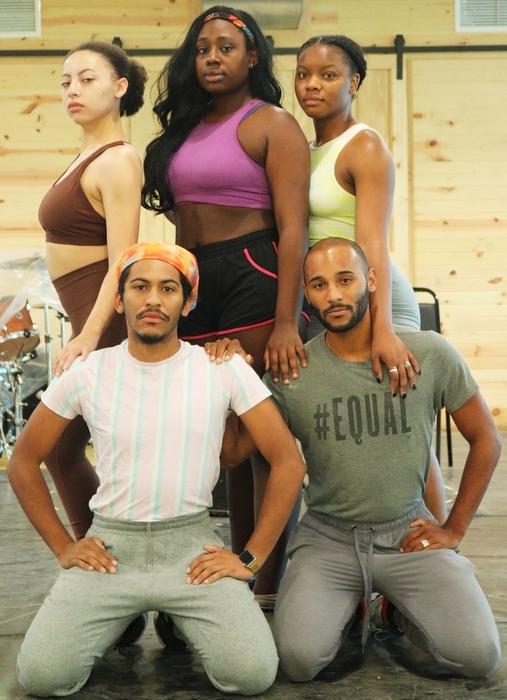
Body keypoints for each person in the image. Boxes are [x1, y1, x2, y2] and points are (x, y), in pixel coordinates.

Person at [8, 242, 306, 698]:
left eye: (168, 289)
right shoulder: (90, 371)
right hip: (111, 549)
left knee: (251, 674)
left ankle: (176, 614)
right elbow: (24, 461)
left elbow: (288, 462)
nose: (152, 299)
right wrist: (65, 548)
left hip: (189, 549)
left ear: (187, 303)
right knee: (43, 677)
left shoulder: (221, 368)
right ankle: (128, 612)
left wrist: (249, 558)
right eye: (140, 287)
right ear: (119, 299)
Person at [222, 237, 501, 682]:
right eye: (318, 285)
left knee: (479, 656)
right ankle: (348, 602)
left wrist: (455, 527)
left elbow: (486, 438)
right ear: (306, 296)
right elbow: (234, 452)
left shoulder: (427, 353)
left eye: (345, 279)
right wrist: (232, 375)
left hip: (407, 533)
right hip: (327, 538)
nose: (332, 294)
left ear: (371, 282)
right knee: (297, 660)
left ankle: (390, 609)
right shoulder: (291, 372)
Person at [142, 5, 310, 593]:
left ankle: (266, 583)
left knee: (259, 437)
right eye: (203, 48)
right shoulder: (185, 127)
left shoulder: (273, 124)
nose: (212, 57)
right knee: (223, 437)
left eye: (226, 47)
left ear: (253, 56)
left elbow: (294, 230)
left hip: (253, 270)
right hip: (196, 281)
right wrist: (176, 289)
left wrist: (287, 322)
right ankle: (238, 569)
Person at [295, 34, 446, 521]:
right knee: (359, 424)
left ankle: (436, 546)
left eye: (328, 74)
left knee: (403, 424)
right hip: (329, 297)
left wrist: (382, 327)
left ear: (354, 81)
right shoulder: (307, 148)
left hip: (376, 297)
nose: (312, 84)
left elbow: (373, 244)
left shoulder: (364, 147)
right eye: (303, 74)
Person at [38, 41, 147, 540]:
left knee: (60, 449)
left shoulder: (117, 161)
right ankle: (100, 556)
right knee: (61, 451)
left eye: (86, 79)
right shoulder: (86, 154)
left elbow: (123, 261)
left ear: (120, 87)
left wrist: (91, 335)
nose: (72, 91)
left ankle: (100, 555)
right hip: (88, 320)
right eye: (65, 82)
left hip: (103, 326)